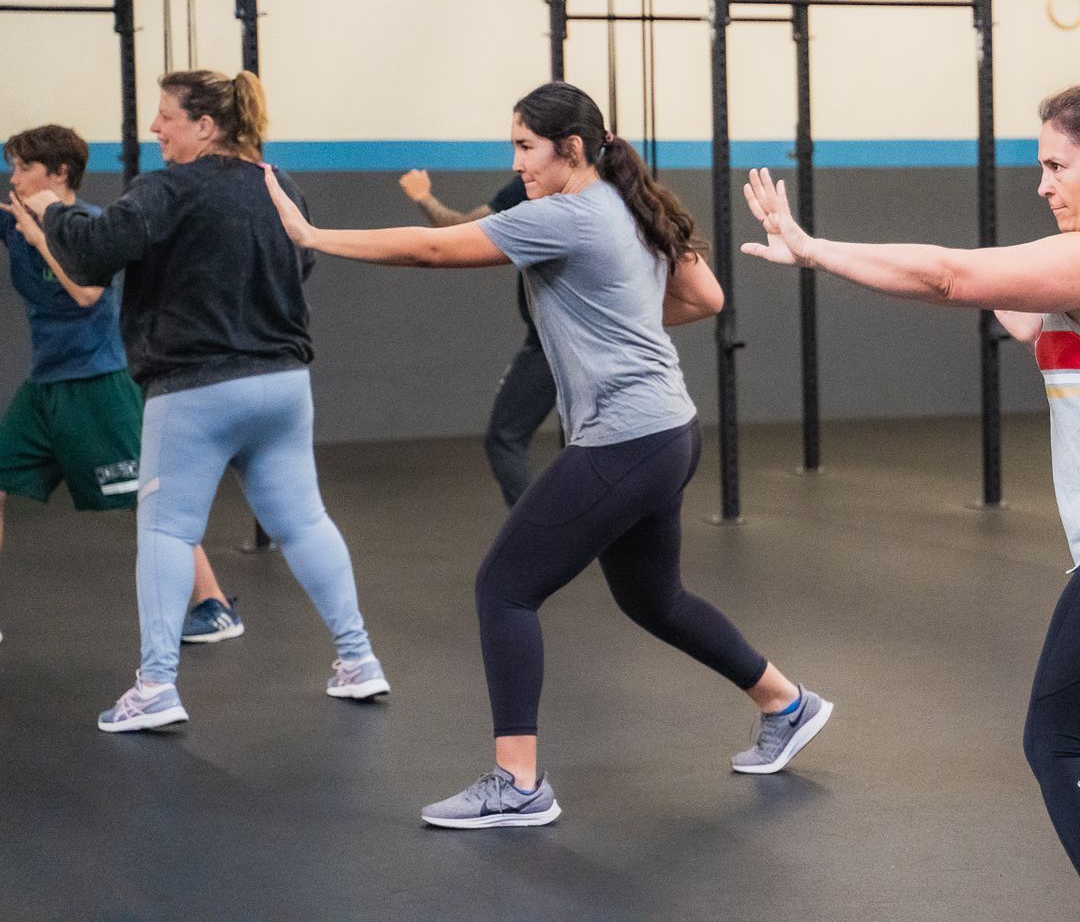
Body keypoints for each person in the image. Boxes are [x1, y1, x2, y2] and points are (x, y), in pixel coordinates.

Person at [741, 83, 1080, 922]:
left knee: (1059, 737)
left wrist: (814, 249)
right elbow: (1001, 301)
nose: (1044, 184)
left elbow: (950, 276)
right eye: (1040, 167)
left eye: (1059, 166)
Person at [264, 82, 828, 830]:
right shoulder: (629, 204)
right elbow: (706, 297)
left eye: (527, 147)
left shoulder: (562, 215)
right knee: (653, 599)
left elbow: (434, 250)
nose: (518, 162)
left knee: (504, 587)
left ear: (569, 150)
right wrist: (621, 311)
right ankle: (786, 704)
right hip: (668, 431)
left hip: (629, 436)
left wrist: (311, 236)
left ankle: (518, 781)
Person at [28, 72, 386, 733]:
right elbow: (298, 263)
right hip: (282, 385)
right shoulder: (280, 182)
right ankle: (359, 659)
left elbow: (94, 253)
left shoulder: (169, 189)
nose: (156, 129)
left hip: (196, 389)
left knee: (166, 530)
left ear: (206, 126)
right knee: (305, 523)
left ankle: (156, 684)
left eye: (166, 118)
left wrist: (53, 209)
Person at [1, 126, 238, 648]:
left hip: (97, 381)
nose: (12, 177)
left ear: (59, 173)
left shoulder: (86, 224)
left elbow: (86, 293)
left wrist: (40, 236)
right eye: (11, 166)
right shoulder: (13, 219)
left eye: (22, 168)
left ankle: (215, 605)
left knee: (151, 501)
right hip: (46, 385)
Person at [396, 168, 556, 507]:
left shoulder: (535, 186)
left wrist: (423, 196)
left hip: (555, 344)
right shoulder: (597, 189)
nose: (518, 161)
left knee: (505, 439)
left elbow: (455, 231)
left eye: (526, 144)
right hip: (564, 341)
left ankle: (537, 534)